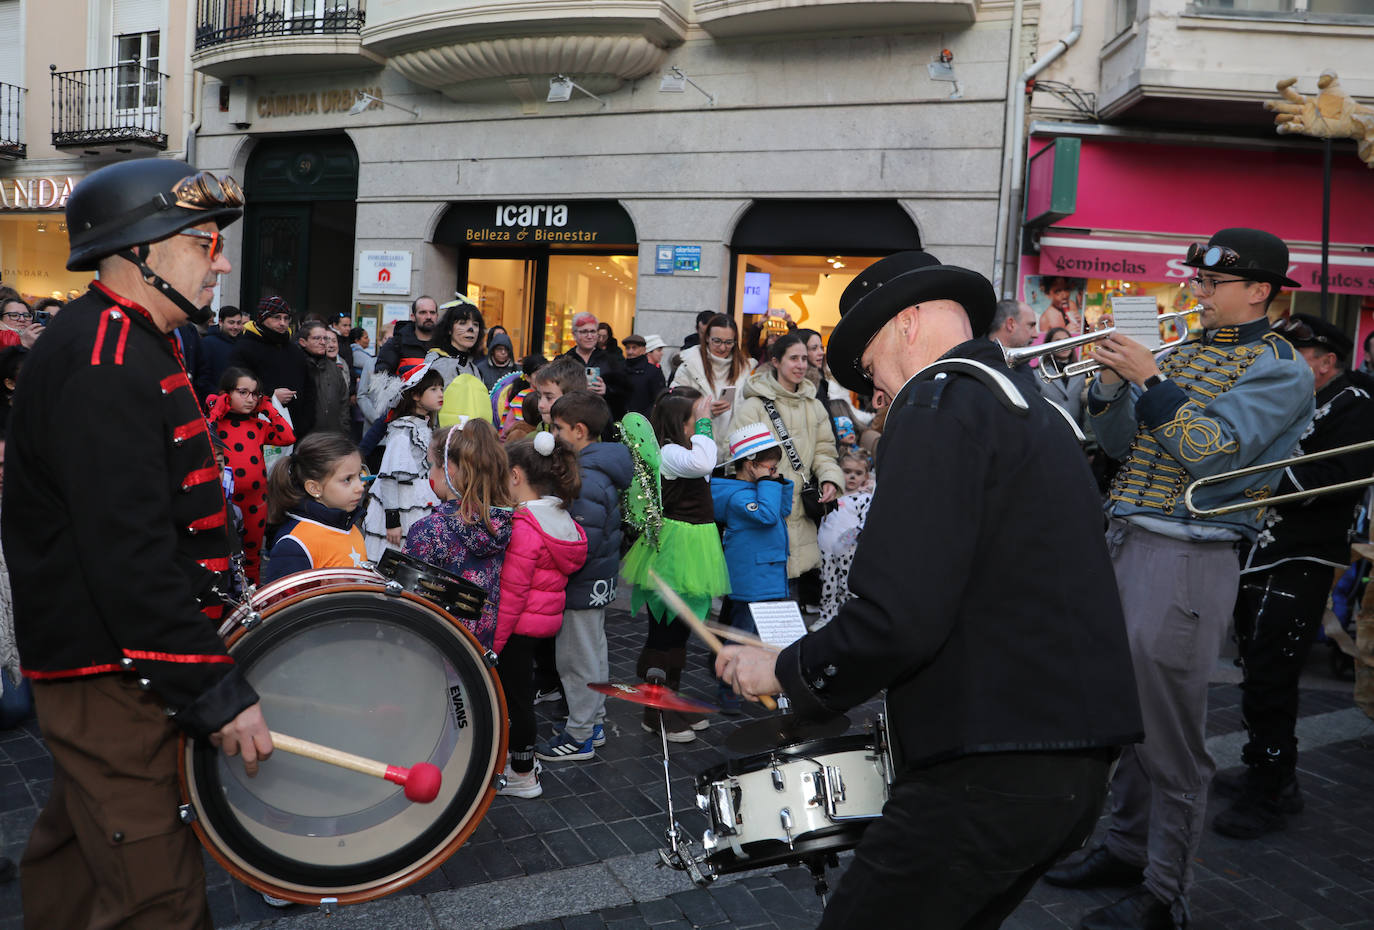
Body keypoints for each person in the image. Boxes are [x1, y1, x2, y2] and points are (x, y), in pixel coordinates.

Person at [715, 250, 1142, 930]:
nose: (876, 396)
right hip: (1066, 762)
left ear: (909, 324)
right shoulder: (1030, 408)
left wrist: (788, 668)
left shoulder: (940, 401)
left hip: (988, 769)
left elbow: (899, 613)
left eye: (873, 368)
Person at [4, 158, 270, 928]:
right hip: (111, 672)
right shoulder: (104, 360)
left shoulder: (132, 339)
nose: (220, 261)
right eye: (203, 242)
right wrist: (212, 690)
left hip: (116, 665)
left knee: (79, 862)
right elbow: (128, 559)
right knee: (157, 895)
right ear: (141, 251)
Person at [1047, 228, 1315, 930]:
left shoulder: (1280, 367)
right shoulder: (1186, 351)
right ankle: (1126, 847)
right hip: (1128, 539)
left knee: (1170, 740)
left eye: (1209, 283)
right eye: (1195, 280)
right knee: (1125, 718)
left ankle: (1166, 893)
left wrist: (1147, 379)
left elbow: (1211, 453)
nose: (1194, 292)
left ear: (1259, 290)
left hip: (1190, 557)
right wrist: (1107, 384)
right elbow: (1115, 447)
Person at [1211, 314, 1374, 839]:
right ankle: (1269, 767)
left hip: (1300, 556)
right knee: (1258, 667)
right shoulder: (1292, 397)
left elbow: (1336, 478)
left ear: (1327, 362)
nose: (1283, 360)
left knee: (1274, 672)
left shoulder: (1357, 406)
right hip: (1260, 550)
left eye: (1298, 352)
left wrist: (1254, 469)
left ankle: (1272, 789)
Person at [621, 391, 731, 742]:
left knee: (681, 630)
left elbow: (706, 463)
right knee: (664, 633)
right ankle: (655, 713)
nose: (697, 428)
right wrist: (704, 422)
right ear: (679, 424)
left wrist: (701, 423)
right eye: (691, 421)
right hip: (674, 549)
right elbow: (703, 463)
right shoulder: (668, 453)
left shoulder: (682, 451)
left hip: (694, 546)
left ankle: (671, 698)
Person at [536, 392, 632, 762]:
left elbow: (581, 540)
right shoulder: (597, 467)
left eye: (558, 428)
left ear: (578, 430)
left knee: (577, 662)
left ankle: (579, 736)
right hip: (595, 580)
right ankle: (594, 723)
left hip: (581, 581)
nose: (553, 434)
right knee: (593, 654)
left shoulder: (587, 476)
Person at [494, 433, 587, 798]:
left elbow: (513, 594)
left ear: (515, 475)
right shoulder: (561, 516)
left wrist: (494, 644)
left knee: (516, 700)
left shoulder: (524, 526)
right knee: (522, 695)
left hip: (517, 626)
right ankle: (522, 763)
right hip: (543, 622)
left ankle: (521, 773)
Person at [731, 333, 843, 606]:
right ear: (775, 362)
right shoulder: (754, 405)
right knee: (755, 596)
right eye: (794, 358)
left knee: (788, 595)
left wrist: (829, 478)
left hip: (800, 512)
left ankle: (779, 648)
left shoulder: (814, 406)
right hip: (764, 510)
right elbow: (737, 457)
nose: (801, 364)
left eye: (804, 358)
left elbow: (825, 451)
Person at [404, 420, 514, 651]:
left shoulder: (428, 530)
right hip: (478, 650)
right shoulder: (500, 523)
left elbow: (410, 602)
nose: (429, 473)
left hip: (434, 649)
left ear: (448, 470)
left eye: (431, 464)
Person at [710, 423, 791, 711]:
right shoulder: (738, 497)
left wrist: (778, 484)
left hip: (767, 573)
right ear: (751, 466)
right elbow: (768, 515)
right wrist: (769, 485)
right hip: (752, 578)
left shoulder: (760, 490)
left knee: (761, 633)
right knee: (743, 635)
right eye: (770, 468)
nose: (775, 474)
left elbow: (783, 510)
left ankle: (759, 678)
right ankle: (728, 688)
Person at [207, 367, 296, 584]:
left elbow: (288, 437)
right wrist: (216, 413)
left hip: (255, 502)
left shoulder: (258, 425)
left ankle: (252, 598)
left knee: (252, 555)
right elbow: (202, 439)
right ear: (226, 394)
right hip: (223, 500)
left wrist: (268, 408)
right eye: (243, 392)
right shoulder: (214, 423)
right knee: (221, 553)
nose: (251, 399)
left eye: (255, 394)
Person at [363, 362, 444, 560]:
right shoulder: (403, 431)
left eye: (441, 388)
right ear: (415, 395)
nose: (440, 394)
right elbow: (389, 477)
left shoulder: (424, 427)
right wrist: (392, 521)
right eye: (433, 389)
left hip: (419, 501)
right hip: (401, 507)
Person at [260, 433, 368, 583]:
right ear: (314, 488)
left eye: (360, 476)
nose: (360, 488)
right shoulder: (294, 544)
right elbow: (285, 604)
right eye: (347, 479)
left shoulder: (349, 526)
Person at [229, 295, 314, 436]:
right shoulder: (244, 348)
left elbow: (308, 388)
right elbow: (236, 388)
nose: (282, 323)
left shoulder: (294, 349)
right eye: (276, 317)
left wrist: (306, 422)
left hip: (296, 427)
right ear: (262, 318)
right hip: (258, 426)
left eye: (286, 318)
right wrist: (271, 397)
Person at [815, 449, 874, 631]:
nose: (851, 477)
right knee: (827, 584)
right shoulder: (833, 494)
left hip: (848, 552)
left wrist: (845, 540)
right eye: (847, 471)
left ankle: (848, 620)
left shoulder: (864, 498)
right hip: (825, 549)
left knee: (847, 587)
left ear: (866, 475)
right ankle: (826, 616)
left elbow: (866, 522)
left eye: (857, 473)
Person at [671, 313, 755, 438]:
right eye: (717, 341)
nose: (722, 348)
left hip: (735, 446)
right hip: (697, 445)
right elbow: (674, 406)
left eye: (728, 342)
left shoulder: (746, 369)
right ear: (706, 338)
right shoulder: (689, 365)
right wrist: (704, 411)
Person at [562, 311, 629, 418]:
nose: (589, 336)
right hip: (571, 418)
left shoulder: (611, 361)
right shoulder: (564, 361)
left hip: (602, 420)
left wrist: (606, 390)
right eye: (584, 332)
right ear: (574, 334)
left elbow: (624, 393)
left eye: (593, 331)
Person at [298, 320, 350, 436]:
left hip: (333, 436)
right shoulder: (296, 366)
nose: (323, 342)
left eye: (325, 338)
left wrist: (343, 430)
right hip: (304, 438)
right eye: (317, 338)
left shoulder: (335, 369)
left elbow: (344, 403)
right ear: (303, 342)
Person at [1036, 325, 1088, 427]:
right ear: (1049, 345)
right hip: (1049, 430)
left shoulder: (1081, 372)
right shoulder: (1037, 373)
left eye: (1066, 340)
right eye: (1058, 340)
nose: (1064, 345)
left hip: (1077, 431)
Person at [375, 295, 439, 376]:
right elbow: (381, 377)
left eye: (432, 312)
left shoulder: (445, 344)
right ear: (413, 317)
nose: (428, 317)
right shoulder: (396, 344)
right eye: (423, 312)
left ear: (437, 316)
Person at [202, 305, 246, 394]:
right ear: (221, 322)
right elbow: (203, 376)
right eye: (231, 322)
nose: (235, 327)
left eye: (239, 323)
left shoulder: (244, 343)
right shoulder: (207, 343)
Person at [620, 333, 667, 417]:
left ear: (644, 350)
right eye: (628, 348)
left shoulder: (654, 372)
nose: (630, 352)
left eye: (634, 348)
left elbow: (658, 400)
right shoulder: (619, 369)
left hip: (643, 422)